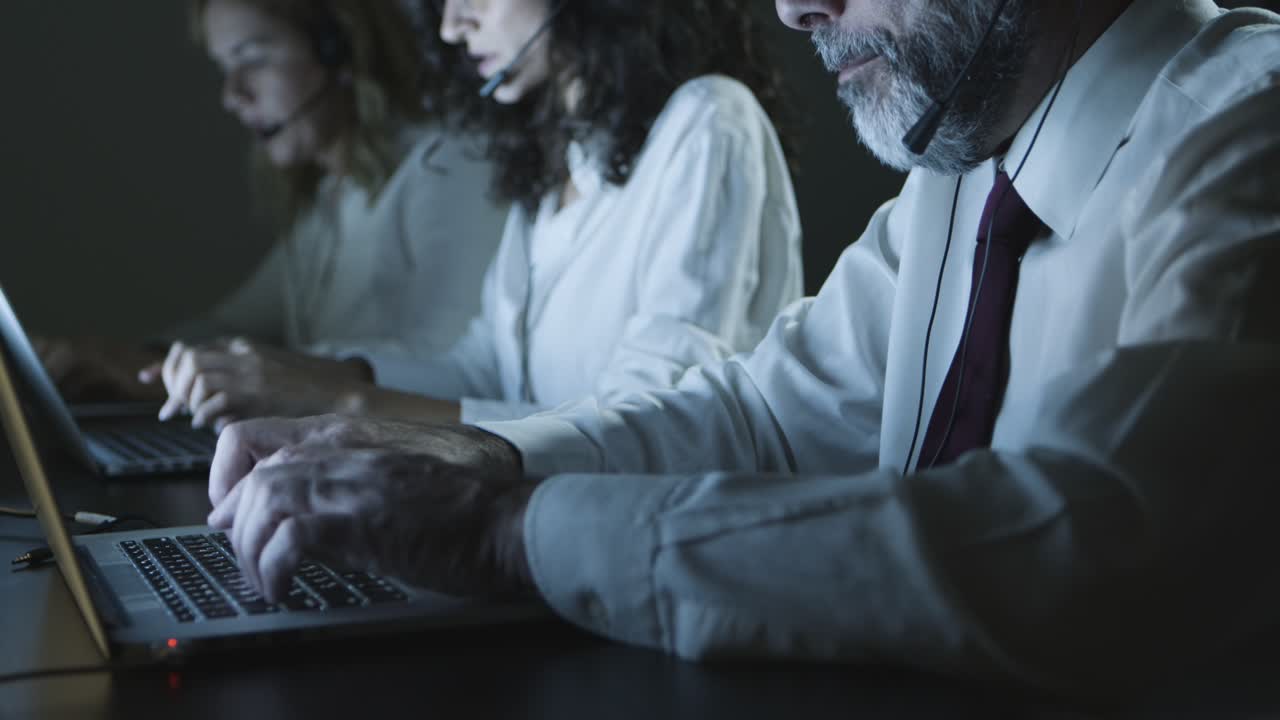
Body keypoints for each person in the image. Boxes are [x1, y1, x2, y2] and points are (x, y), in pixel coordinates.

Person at [204, 0, 1280, 695]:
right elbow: (757, 415)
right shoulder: (953, 182)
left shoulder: (1246, 124)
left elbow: (1097, 546)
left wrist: (513, 531)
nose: (792, 7)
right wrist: (488, 462)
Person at [154, 0, 804, 427]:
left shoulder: (709, 122)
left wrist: (349, 402)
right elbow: (487, 368)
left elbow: (649, 424)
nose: (451, 25)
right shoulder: (556, 160)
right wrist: (317, 375)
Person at [39, 0, 507, 422]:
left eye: (253, 59)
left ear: (339, 49)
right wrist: (132, 360)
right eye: (225, 67)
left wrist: (263, 375)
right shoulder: (329, 199)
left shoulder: (444, 165)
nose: (232, 94)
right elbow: (234, 324)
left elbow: (444, 357)